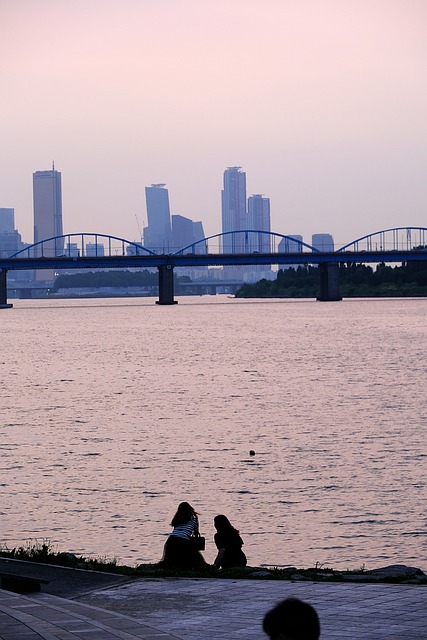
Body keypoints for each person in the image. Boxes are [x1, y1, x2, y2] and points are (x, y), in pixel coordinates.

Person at [159, 501, 206, 568]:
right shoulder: (194, 519)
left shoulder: (177, 519)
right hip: (183, 541)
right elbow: (196, 532)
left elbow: (176, 530)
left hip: (171, 540)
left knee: (170, 561)